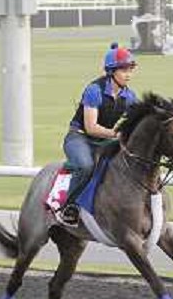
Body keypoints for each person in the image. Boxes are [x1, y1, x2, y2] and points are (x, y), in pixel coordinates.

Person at [59, 43, 138, 226]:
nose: (128, 74)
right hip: (79, 138)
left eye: (130, 70)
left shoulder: (129, 96)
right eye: (124, 70)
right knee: (86, 166)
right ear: (111, 71)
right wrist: (116, 134)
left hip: (103, 141)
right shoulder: (94, 90)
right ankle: (68, 206)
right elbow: (91, 127)